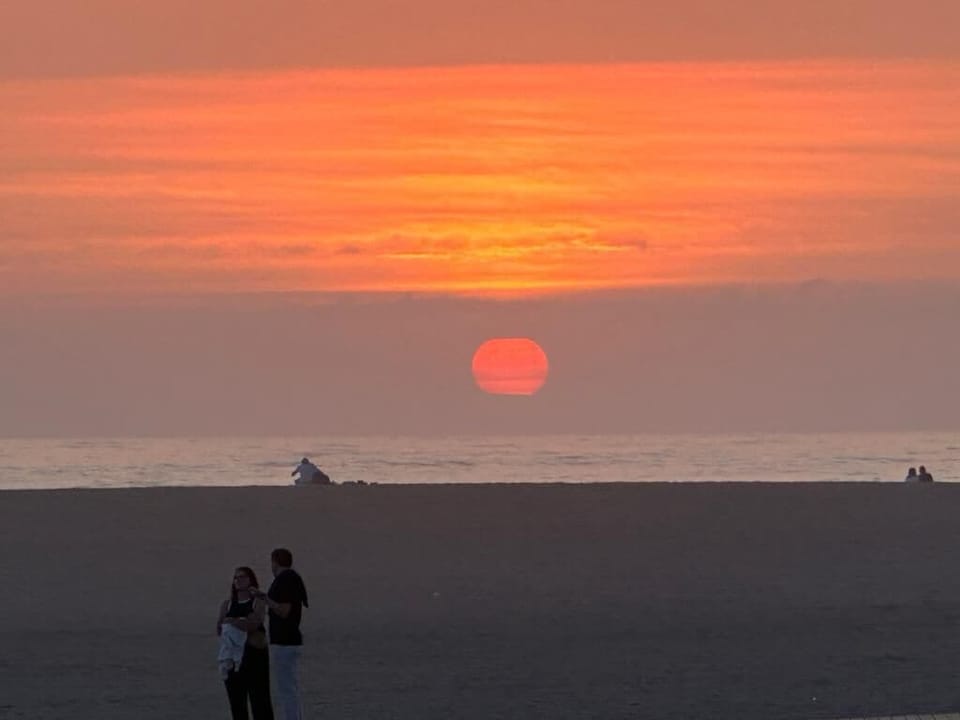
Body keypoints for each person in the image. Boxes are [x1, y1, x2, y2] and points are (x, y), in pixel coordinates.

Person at [251, 548, 309, 720]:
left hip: (285, 641)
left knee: (286, 689)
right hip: (288, 640)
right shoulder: (292, 579)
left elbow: (284, 610)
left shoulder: (285, 580)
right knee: (290, 687)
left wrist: (265, 599)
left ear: (274, 561)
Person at [217, 567, 274, 720]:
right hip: (233, 658)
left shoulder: (257, 602)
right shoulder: (227, 605)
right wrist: (238, 623)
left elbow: (254, 623)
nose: (238, 580)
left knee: (260, 701)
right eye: (236, 578)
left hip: (254, 656)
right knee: (237, 703)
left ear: (250, 580)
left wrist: (234, 622)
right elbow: (220, 627)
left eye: (242, 577)